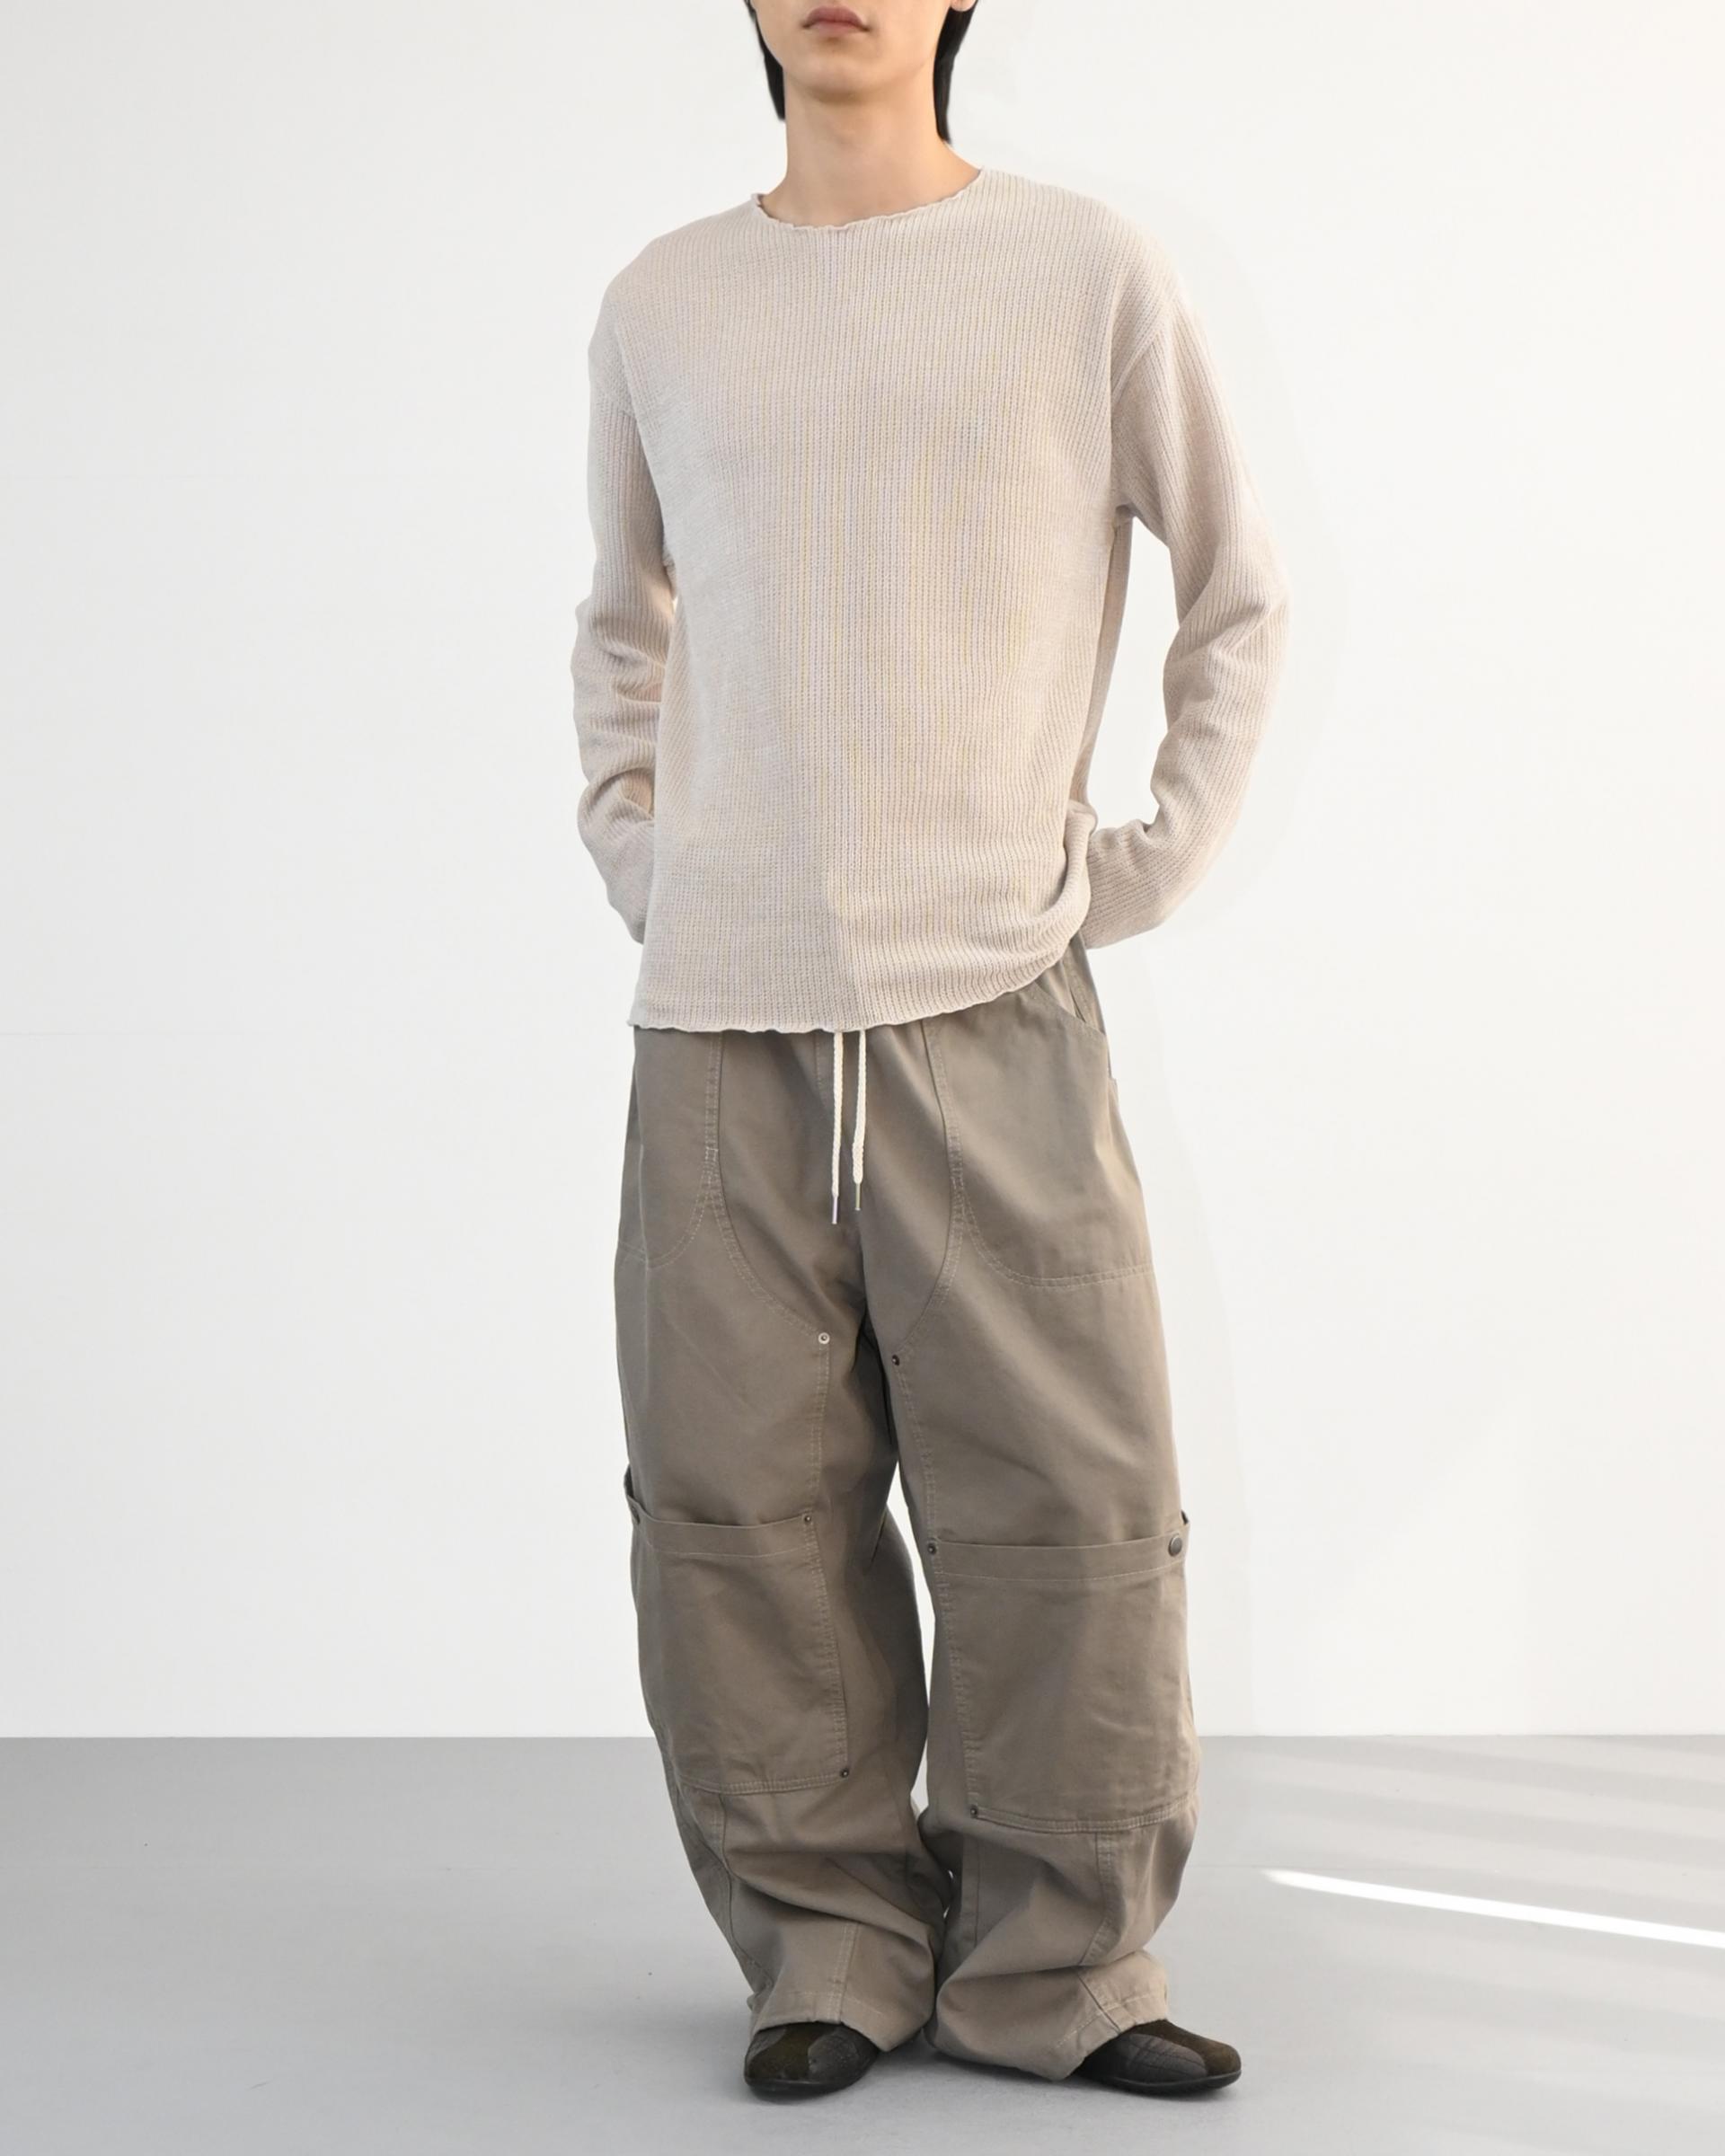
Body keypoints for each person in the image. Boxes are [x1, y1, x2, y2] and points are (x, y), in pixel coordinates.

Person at [570, 0, 1289, 2103]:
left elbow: (1238, 592)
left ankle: (1063, 1971)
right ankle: (828, 1947)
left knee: (1070, 1505)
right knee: (738, 1517)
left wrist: (1140, 864)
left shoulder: (1083, 270)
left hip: (993, 997)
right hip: (722, 1020)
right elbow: (622, 620)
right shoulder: (663, 304)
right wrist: (648, 855)